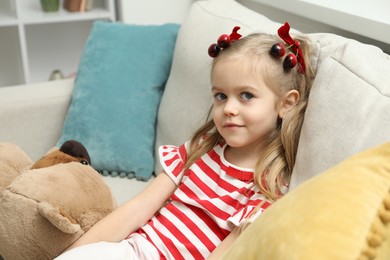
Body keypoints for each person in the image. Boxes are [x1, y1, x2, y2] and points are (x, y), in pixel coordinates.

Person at [56, 22, 314, 260]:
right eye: (221, 96)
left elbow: (227, 254)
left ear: (286, 103)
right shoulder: (200, 147)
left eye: (246, 95)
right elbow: (137, 209)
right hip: (134, 251)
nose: (229, 109)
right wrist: (77, 253)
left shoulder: (268, 184)